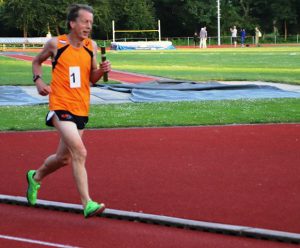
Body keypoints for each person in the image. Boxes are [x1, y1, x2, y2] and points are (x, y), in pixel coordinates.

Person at [27, 4, 111, 218]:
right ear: (73, 23)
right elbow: (36, 62)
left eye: (91, 23)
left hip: (81, 106)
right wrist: (38, 81)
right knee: (80, 152)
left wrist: (101, 71)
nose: (89, 26)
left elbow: (92, 78)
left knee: (64, 158)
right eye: (85, 22)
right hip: (60, 105)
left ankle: (35, 177)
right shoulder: (56, 44)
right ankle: (87, 203)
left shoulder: (90, 46)